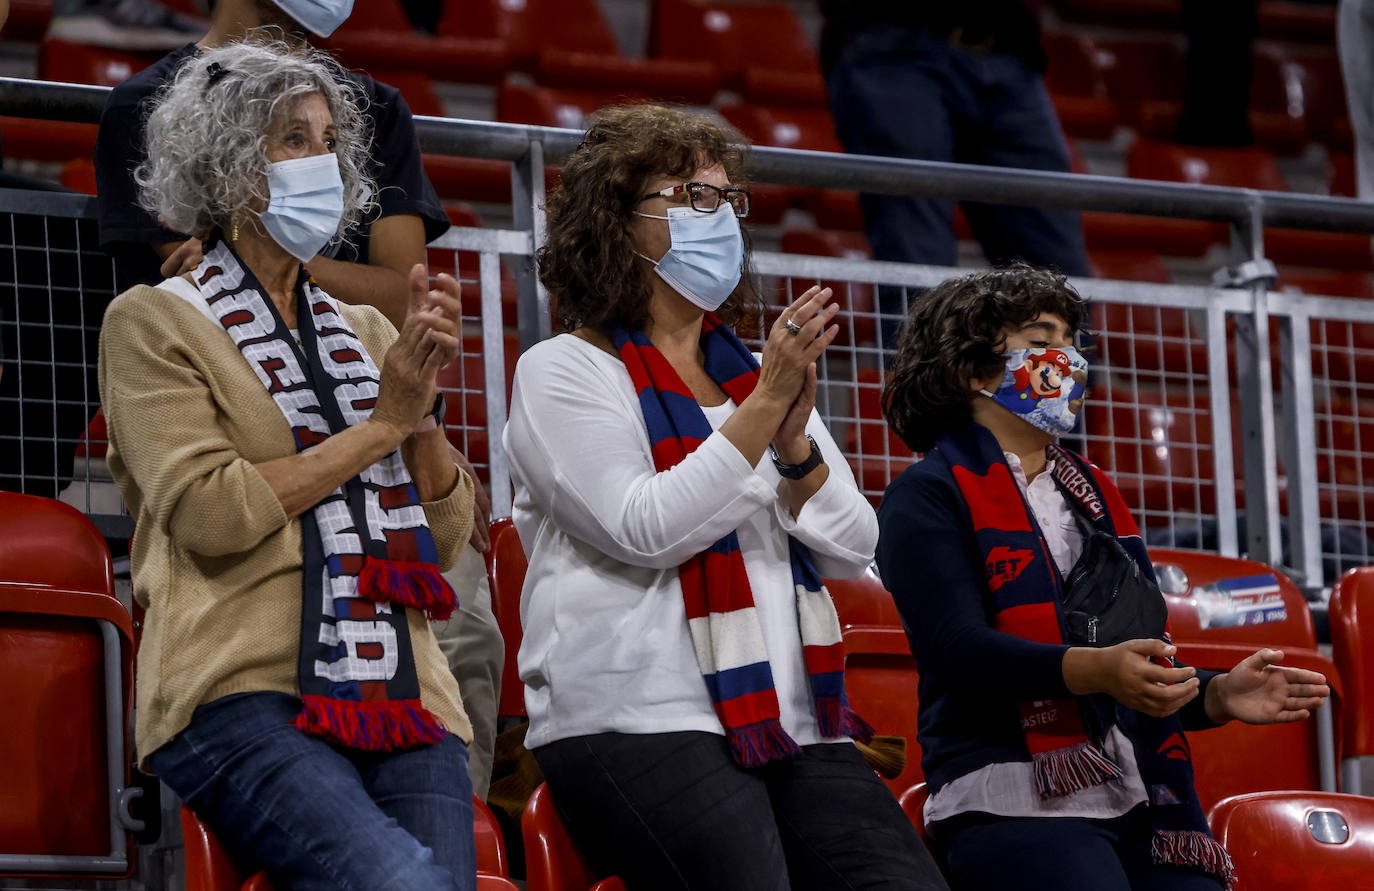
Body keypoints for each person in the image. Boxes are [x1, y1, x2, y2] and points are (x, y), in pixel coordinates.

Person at [503, 104, 948, 891]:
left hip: (791, 723)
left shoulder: (748, 373)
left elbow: (852, 544)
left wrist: (794, 443)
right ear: (616, 222)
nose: (720, 216)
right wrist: (761, 414)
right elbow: (645, 526)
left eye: (726, 198)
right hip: (631, 718)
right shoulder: (562, 370)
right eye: (689, 194)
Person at [93, 0, 506, 798]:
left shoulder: (373, 119)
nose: (322, 163)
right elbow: (198, 271)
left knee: (469, 646)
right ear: (228, 162)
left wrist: (413, 413)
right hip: (252, 627)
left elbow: (398, 294)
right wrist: (382, 419)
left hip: (400, 624)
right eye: (294, 142)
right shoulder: (161, 304)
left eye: (328, 145)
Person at [875, 265, 1332, 891]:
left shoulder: (1094, 496)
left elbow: (1125, 660)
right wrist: (1099, 670)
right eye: (1042, 339)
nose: (1067, 358)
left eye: (1070, 340)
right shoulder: (923, 494)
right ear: (973, 372)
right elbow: (957, 651)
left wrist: (1216, 694)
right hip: (1009, 796)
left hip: (1142, 795)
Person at [822, 1, 1090, 346]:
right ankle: (921, 396)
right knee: (919, 264)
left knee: (1059, 277)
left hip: (1010, 44)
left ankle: (1061, 399)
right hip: (895, 39)